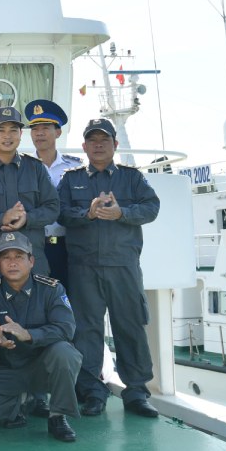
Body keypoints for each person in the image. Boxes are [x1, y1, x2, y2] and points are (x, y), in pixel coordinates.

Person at [58, 117, 161, 418]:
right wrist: (87, 213)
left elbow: (151, 207)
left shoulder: (132, 178)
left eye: (104, 139)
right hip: (84, 267)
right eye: (92, 139)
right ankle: (92, 392)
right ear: (84, 146)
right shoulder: (70, 179)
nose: (98, 144)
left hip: (123, 265)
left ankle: (137, 393)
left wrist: (121, 212)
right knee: (87, 331)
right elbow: (62, 214)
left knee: (129, 327)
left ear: (115, 144)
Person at [0, 232, 81, 442]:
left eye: (19, 256)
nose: (12, 263)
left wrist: (29, 335)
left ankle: (58, 416)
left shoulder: (51, 289)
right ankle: (19, 404)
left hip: (43, 366)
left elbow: (66, 328)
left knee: (65, 352)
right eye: (6, 257)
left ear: (31, 261)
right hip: (8, 367)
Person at [0, 107, 59, 288]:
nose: (7, 136)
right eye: (1, 130)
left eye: (13, 130)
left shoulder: (36, 168)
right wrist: (1, 218)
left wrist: (27, 218)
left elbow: (53, 207)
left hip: (32, 261)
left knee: (37, 314)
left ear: (20, 134)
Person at [24, 99, 82, 292]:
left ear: (58, 132)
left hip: (67, 247)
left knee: (69, 301)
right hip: (34, 246)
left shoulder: (75, 167)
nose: (39, 133)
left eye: (45, 127)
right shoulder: (22, 167)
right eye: (34, 128)